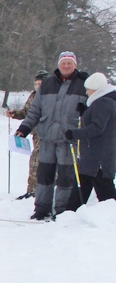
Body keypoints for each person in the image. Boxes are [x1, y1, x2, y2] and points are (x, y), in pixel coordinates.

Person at [15, 51, 89, 220]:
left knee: (65, 177)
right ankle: (41, 209)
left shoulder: (83, 84)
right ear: (58, 65)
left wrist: (86, 112)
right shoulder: (47, 84)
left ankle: (62, 211)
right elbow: (35, 110)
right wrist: (24, 128)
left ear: (75, 65)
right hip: (47, 137)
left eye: (70, 63)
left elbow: (93, 107)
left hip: (68, 139)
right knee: (44, 176)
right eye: (63, 63)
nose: (66, 66)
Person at [66, 73, 116, 203]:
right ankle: (69, 214)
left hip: (98, 158)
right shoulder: (101, 101)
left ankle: (110, 218)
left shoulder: (104, 102)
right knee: (81, 187)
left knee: (106, 194)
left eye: (88, 89)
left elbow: (97, 127)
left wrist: (75, 134)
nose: (86, 92)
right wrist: (86, 112)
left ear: (96, 88)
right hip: (91, 156)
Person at [7, 70, 50, 200]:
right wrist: (16, 114)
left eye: (40, 83)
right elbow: (27, 113)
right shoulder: (33, 96)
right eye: (36, 83)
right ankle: (32, 190)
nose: (38, 86)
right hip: (35, 133)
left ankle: (44, 191)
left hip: (48, 134)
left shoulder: (51, 96)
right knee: (34, 162)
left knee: (40, 161)